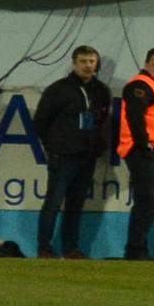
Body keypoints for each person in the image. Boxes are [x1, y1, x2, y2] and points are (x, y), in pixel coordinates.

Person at [34, 44, 114, 258]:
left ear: (97, 64)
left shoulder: (101, 91)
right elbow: (40, 122)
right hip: (63, 156)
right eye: (83, 61)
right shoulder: (58, 89)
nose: (88, 66)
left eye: (92, 62)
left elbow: (103, 123)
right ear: (74, 63)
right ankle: (44, 247)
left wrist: (98, 147)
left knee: (76, 206)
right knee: (53, 202)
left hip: (87, 157)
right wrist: (54, 147)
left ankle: (71, 248)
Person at [115, 46, 154, 259]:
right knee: (148, 200)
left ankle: (138, 247)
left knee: (151, 201)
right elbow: (135, 115)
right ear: (146, 65)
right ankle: (135, 249)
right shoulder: (140, 85)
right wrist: (144, 144)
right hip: (143, 152)